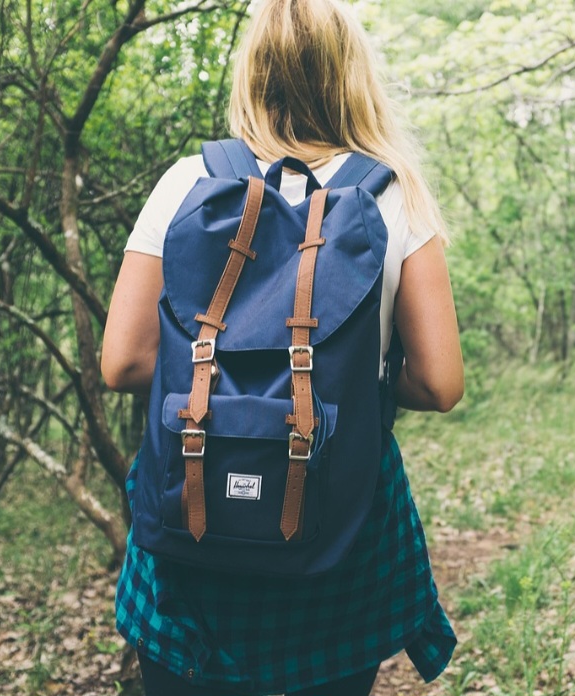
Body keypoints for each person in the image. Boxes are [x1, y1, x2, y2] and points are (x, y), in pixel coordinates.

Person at [101, 0, 465, 693]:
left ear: (253, 72)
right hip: (337, 534)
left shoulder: (187, 182)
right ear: (351, 75)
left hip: (193, 521)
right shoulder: (395, 197)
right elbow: (439, 383)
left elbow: (123, 362)